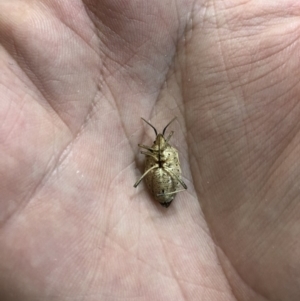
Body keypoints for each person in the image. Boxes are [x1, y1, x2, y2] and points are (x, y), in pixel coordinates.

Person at [0, 1, 299, 300]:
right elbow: (155, 156)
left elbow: (160, 157)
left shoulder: (164, 154)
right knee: (157, 170)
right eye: (158, 140)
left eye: (161, 140)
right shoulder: (158, 154)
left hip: (164, 179)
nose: (158, 142)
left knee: (158, 171)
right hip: (162, 179)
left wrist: (155, 160)